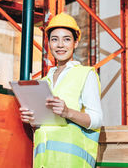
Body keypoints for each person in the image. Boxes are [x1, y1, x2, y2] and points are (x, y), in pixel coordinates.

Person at [20, 12, 103, 168]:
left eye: (66, 39)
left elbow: (97, 119)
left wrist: (67, 113)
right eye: (54, 39)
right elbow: (43, 125)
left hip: (71, 164)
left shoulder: (86, 74)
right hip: (42, 163)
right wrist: (32, 120)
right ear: (49, 44)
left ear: (75, 43)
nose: (60, 45)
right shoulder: (42, 82)